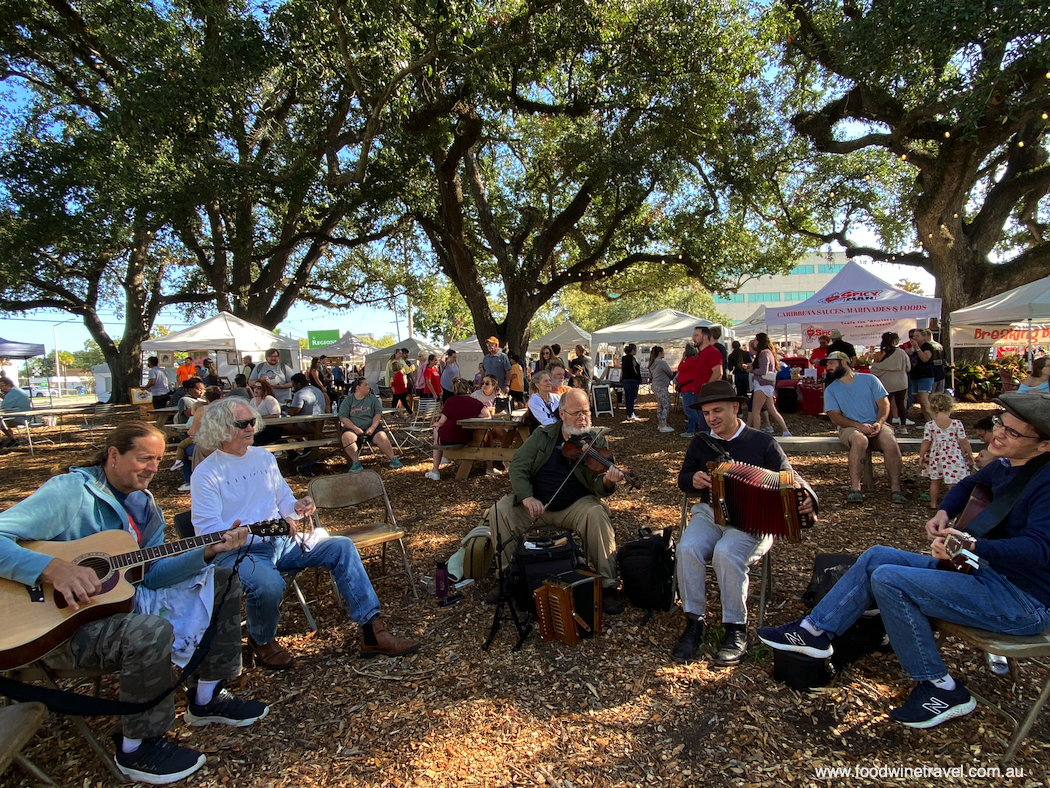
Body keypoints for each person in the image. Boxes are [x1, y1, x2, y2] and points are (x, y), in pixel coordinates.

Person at [759, 392, 1050, 730]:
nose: (998, 433)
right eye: (1001, 423)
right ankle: (814, 631)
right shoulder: (1004, 465)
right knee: (877, 556)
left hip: (1022, 601)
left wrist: (968, 545)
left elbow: (1039, 549)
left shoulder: (1045, 481)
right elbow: (968, 484)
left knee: (889, 579)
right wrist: (944, 511)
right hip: (982, 574)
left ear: (1044, 446)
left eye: (1013, 433)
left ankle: (940, 686)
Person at [0, 422, 266, 784]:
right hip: (54, 627)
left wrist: (207, 550)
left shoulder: (144, 506)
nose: (154, 468)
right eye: (144, 458)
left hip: (106, 608)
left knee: (223, 579)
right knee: (148, 631)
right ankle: (137, 746)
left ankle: (206, 696)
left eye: (158, 460)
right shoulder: (71, 491)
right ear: (113, 455)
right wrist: (52, 567)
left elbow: (151, 575)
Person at [191, 399, 420, 669]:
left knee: (342, 546)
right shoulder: (206, 474)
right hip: (241, 553)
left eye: (253, 421)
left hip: (281, 542)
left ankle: (373, 632)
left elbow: (285, 501)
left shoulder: (263, 458)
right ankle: (261, 640)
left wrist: (298, 507)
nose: (251, 427)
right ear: (221, 429)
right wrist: (236, 536)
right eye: (243, 424)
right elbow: (206, 532)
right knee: (269, 584)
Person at [674, 381, 817, 666]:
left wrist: (810, 497)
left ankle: (735, 629)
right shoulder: (701, 442)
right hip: (710, 514)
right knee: (687, 547)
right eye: (706, 412)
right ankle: (694, 621)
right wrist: (693, 479)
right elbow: (684, 477)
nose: (711, 418)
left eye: (718, 410)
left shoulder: (762, 442)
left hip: (753, 522)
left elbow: (790, 477)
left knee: (727, 553)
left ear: (735, 408)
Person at [489, 388, 625, 615]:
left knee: (597, 515)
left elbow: (599, 486)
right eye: (576, 413)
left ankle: (609, 585)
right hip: (537, 506)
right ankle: (506, 579)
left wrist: (610, 483)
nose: (583, 418)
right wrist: (527, 497)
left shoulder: (596, 439)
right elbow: (518, 466)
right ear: (561, 414)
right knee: (499, 510)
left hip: (575, 506)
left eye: (586, 412)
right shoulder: (543, 435)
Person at [823, 351, 908, 504]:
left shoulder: (870, 380)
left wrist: (879, 422)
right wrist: (858, 426)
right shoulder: (831, 389)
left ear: (843, 362)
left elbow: (884, 405)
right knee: (859, 439)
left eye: (831, 363)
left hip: (875, 424)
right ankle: (855, 489)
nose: (827, 367)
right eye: (827, 364)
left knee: (889, 440)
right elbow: (835, 417)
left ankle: (896, 489)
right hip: (849, 427)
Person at [919, 393, 975, 510]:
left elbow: (926, 441)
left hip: (936, 456)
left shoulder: (930, 425)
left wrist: (922, 455)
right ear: (950, 407)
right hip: (953, 455)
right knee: (953, 482)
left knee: (935, 481)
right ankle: (952, 505)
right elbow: (963, 440)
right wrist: (969, 454)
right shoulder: (956, 423)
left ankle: (933, 504)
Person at [426, 378, 485, 481]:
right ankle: (444, 458)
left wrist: (436, 424)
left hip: (449, 436)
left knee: (437, 431)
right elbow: (486, 414)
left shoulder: (450, 401)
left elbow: (442, 421)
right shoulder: (475, 402)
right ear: (467, 389)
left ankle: (435, 470)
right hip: (467, 436)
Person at [338, 376, 402, 471]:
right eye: (366, 385)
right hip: (353, 428)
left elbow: (377, 414)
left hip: (371, 427)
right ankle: (356, 463)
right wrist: (355, 428)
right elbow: (343, 417)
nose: (368, 386)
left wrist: (372, 427)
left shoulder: (373, 399)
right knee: (346, 437)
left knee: (381, 436)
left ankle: (393, 459)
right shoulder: (348, 400)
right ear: (358, 388)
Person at [747, 333, 790, 437]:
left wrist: (751, 370)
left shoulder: (763, 353)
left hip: (762, 384)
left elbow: (763, 370)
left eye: (755, 340)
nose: (754, 341)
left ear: (760, 341)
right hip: (768, 385)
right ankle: (785, 431)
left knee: (755, 410)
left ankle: (755, 435)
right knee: (772, 410)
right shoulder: (769, 352)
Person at [871, 332, 912, 434]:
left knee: (886, 405)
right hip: (901, 382)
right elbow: (908, 367)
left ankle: (888, 427)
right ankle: (903, 427)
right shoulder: (902, 353)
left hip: (886, 383)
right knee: (901, 405)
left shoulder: (880, 353)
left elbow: (875, 368)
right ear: (895, 341)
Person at [693, 327, 725, 429]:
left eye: (696, 335)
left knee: (706, 426)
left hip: (707, 395)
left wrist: (706, 387)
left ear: (705, 337)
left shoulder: (712, 351)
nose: (693, 338)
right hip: (700, 393)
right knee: (703, 424)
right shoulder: (701, 353)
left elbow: (718, 372)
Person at [907, 328, 935, 422]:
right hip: (915, 376)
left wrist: (917, 348)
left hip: (925, 376)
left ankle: (937, 421)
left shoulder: (927, 346)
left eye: (917, 336)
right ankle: (929, 422)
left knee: (924, 399)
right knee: (921, 401)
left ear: (924, 337)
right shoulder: (914, 348)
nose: (915, 338)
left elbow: (925, 358)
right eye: (914, 336)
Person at [250, 377, 284, 446]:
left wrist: (261, 417)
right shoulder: (253, 400)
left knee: (254, 442)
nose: (256, 389)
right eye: (255, 387)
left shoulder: (269, 399)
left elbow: (276, 415)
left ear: (264, 389)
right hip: (258, 428)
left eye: (259, 388)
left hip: (272, 428)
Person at [648, 346, 675, 433]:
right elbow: (670, 373)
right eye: (663, 352)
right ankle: (663, 424)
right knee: (666, 405)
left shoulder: (652, 363)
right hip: (662, 386)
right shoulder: (662, 363)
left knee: (660, 405)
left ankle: (660, 423)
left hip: (655, 385)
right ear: (660, 353)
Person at [0, 377, 31, 446]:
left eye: (1, 386)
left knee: (2, 422)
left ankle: (5, 442)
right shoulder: (18, 391)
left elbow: (3, 407)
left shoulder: (11, 394)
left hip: (19, 418)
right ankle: (12, 440)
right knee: (2, 421)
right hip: (26, 416)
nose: (0, 388)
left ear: (8, 385)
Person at [677, 343, 700, 437]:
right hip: (689, 387)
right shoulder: (695, 360)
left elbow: (680, 368)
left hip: (688, 388)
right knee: (691, 409)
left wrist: (682, 359)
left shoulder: (690, 360)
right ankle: (691, 428)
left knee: (689, 410)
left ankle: (700, 425)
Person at [621, 343, 642, 421]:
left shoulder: (624, 358)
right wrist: (638, 378)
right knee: (632, 398)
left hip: (625, 380)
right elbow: (633, 370)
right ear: (632, 350)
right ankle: (630, 413)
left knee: (628, 397)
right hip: (632, 380)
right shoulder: (631, 359)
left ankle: (629, 413)